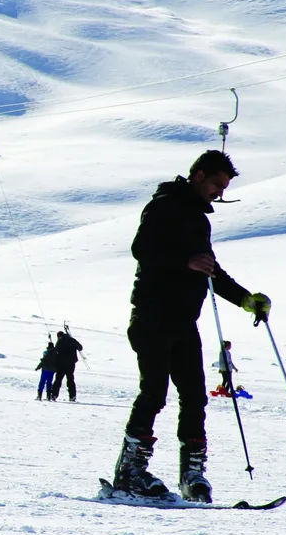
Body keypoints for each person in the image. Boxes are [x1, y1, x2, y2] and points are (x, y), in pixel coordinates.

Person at [111, 150, 270, 503]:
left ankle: (192, 474)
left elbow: (208, 268)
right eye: (216, 184)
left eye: (224, 186)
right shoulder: (164, 205)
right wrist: (186, 261)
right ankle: (129, 473)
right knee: (154, 393)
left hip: (184, 321)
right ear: (199, 176)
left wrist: (246, 299)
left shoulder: (199, 219)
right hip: (152, 315)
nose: (220, 192)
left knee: (195, 397)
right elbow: (142, 250)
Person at [51, 330, 83, 401]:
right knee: (70, 380)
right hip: (71, 364)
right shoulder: (72, 340)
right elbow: (80, 347)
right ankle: (72, 396)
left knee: (58, 380)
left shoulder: (60, 341)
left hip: (61, 364)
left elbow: (56, 351)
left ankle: (54, 395)